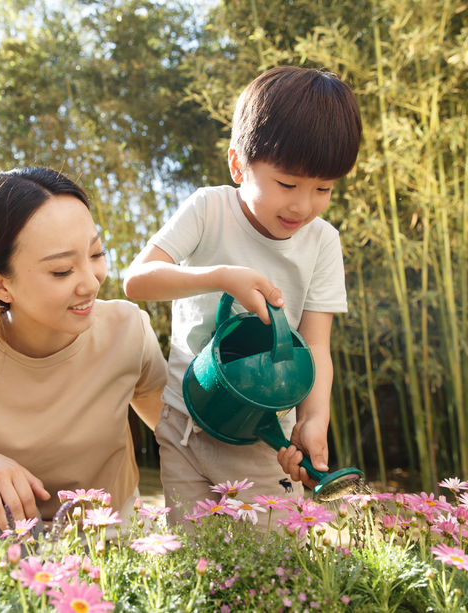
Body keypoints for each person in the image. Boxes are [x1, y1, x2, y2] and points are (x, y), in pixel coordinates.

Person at [124, 66, 362, 524]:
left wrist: (314, 420)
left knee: (273, 553)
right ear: (237, 165)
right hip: (185, 422)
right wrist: (222, 277)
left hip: (264, 430)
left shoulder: (323, 242)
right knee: (191, 551)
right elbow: (138, 280)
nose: (303, 205)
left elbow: (316, 344)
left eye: (323, 189)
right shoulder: (208, 209)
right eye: (287, 184)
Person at [0, 168, 167, 564]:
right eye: (62, 270)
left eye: (95, 254)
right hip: (6, 565)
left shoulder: (127, 330)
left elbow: (183, 439)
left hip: (113, 557)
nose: (91, 283)